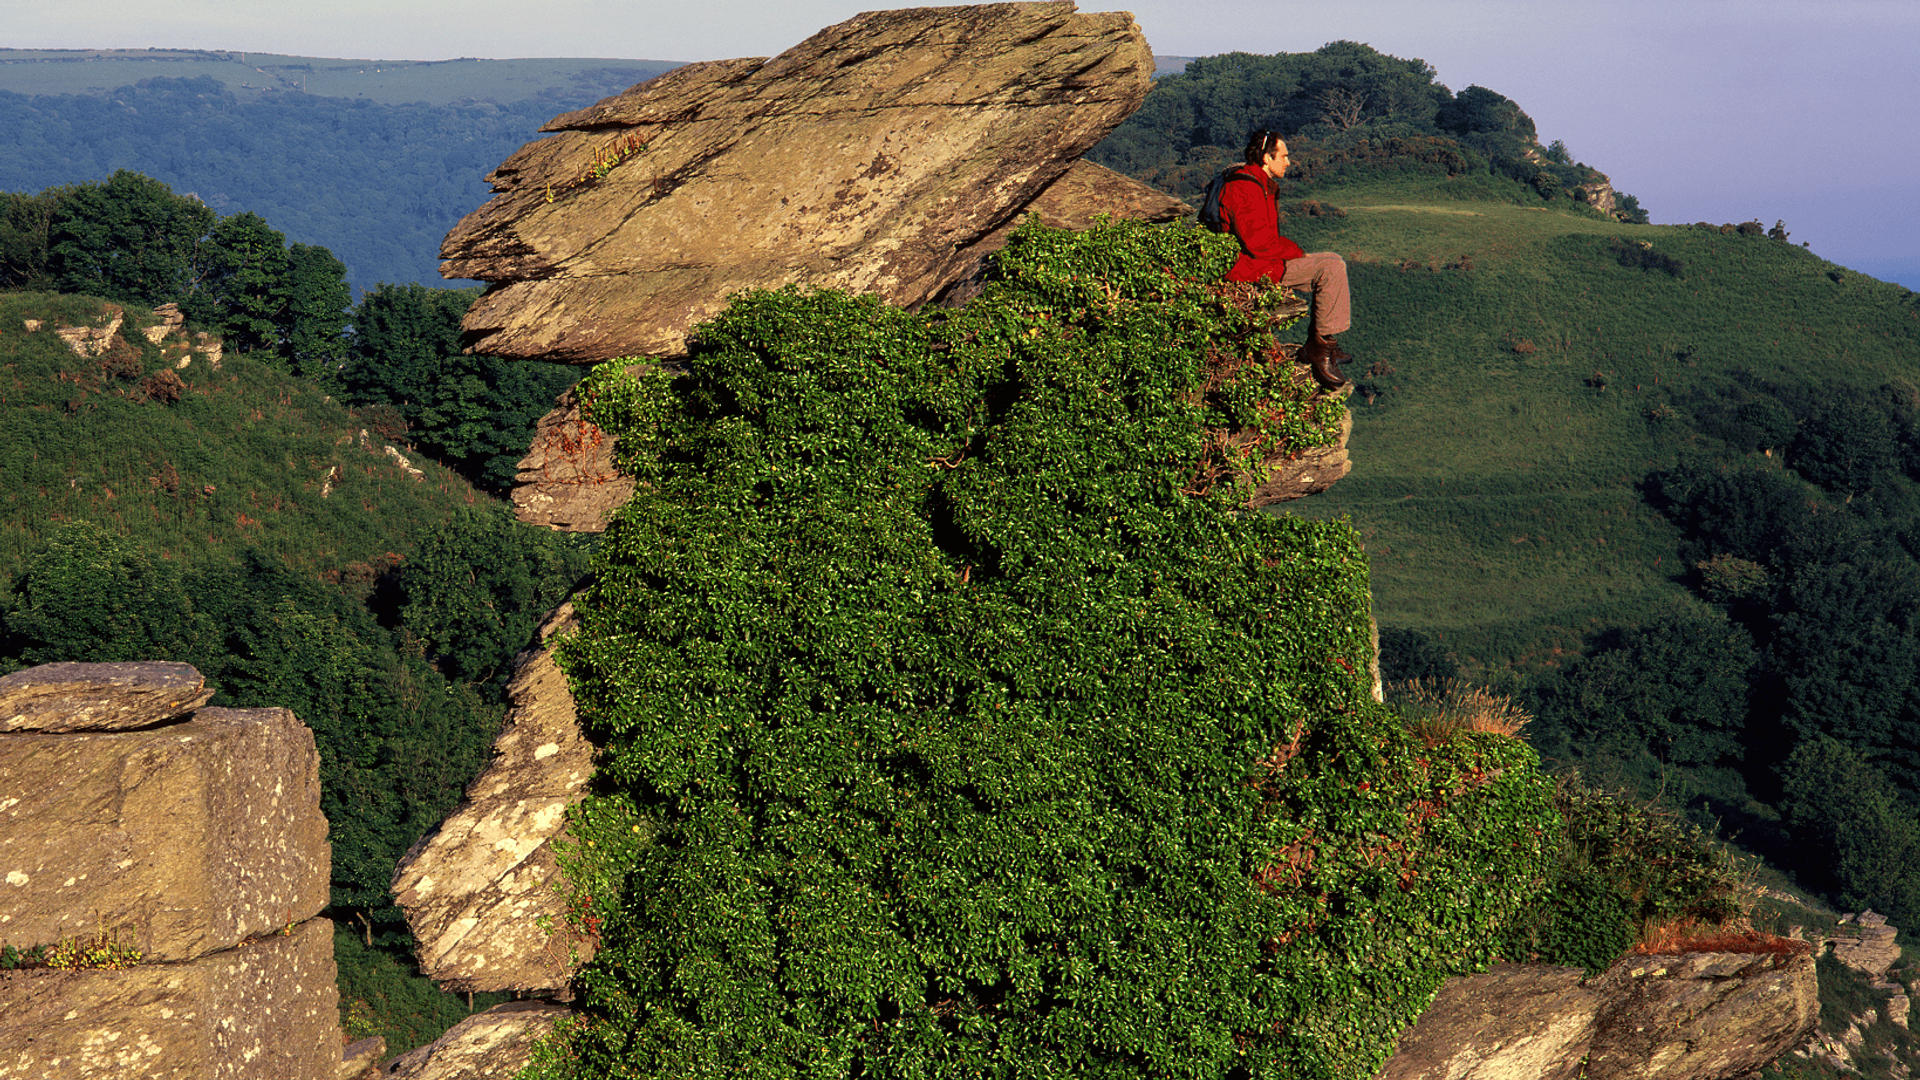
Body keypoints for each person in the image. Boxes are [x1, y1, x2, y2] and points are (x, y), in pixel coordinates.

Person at [1218, 129, 1354, 390]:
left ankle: (1322, 344)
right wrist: (1296, 252)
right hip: (1249, 267)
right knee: (1330, 266)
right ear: (1266, 158)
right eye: (1284, 156)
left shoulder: (1257, 182)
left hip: (1261, 261)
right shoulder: (1244, 186)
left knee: (1333, 260)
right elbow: (1258, 243)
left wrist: (1295, 252)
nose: (1289, 162)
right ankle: (1319, 349)